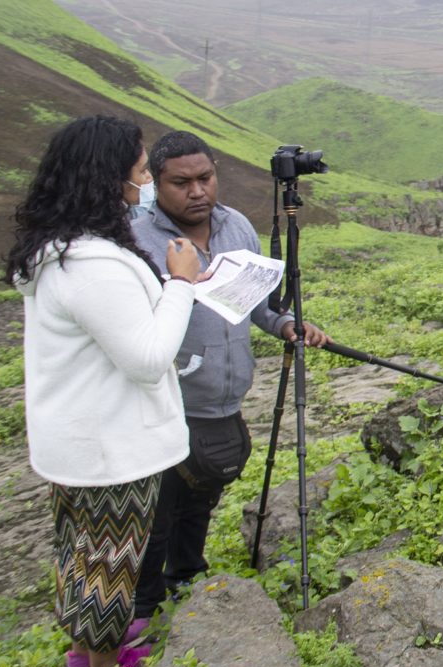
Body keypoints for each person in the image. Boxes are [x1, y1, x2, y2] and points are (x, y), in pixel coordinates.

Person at [4, 115, 202, 667]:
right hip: (111, 449)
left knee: (82, 560)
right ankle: (103, 663)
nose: (144, 183)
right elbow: (145, 358)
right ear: (108, 178)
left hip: (78, 439)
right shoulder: (92, 266)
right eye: (140, 172)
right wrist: (182, 283)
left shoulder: (59, 250)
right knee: (112, 571)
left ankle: (84, 657)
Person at [128, 130, 331, 635]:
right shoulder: (134, 240)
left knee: (202, 495)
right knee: (159, 510)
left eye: (205, 178)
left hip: (224, 393)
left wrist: (284, 324)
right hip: (165, 401)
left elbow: (254, 300)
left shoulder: (237, 227)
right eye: (181, 182)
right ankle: (143, 612)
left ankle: (187, 580)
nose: (197, 191)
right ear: (157, 182)